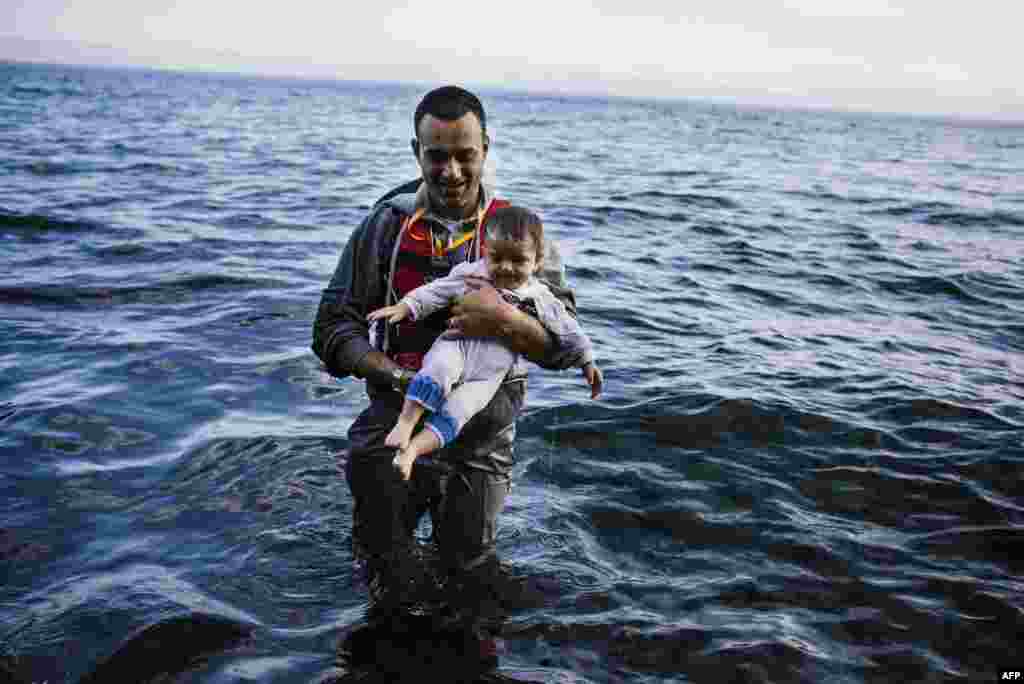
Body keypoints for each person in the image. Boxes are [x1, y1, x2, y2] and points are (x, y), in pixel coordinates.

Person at [311, 86, 587, 590]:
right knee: (381, 567)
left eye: (466, 155)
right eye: (437, 156)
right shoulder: (383, 227)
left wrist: (498, 320)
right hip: (393, 419)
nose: (452, 171)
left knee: (468, 576)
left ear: (486, 148)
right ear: (416, 152)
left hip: (482, 438)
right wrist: (395, 374)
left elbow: (562, 347)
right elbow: (331, 327)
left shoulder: (519, 236)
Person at [367, 205, 603, 481]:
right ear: (484, 250)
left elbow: (567, 328)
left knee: (459, 411)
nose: (505, 267)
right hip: (457, 347)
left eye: (518, 261)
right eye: (497, 257)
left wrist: (587, 360)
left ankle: (413, 452)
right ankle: (405, 425)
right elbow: (436, 291)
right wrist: (407, 306)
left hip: (489, 375)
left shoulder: (540, 297)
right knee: (438, 370)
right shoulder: (472, 274)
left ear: (537, 262)